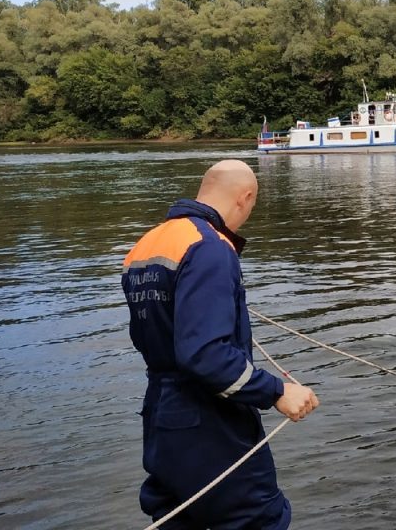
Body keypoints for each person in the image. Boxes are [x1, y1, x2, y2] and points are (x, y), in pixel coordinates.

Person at [122, 159, 318, 529]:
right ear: (245, 198)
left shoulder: (147, 244)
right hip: (209, 421)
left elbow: (154, 335)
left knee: (177, 517)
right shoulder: (210, 247)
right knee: (258, 519)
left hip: (161, 418)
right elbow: (205, 355)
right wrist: (276, 391)